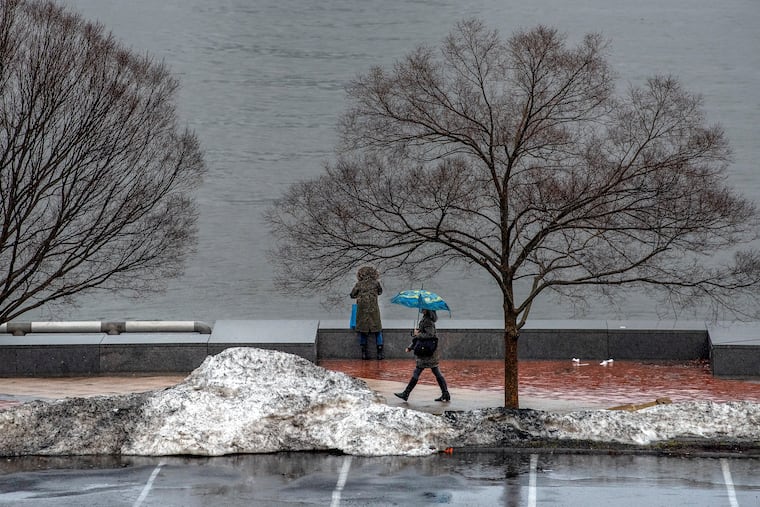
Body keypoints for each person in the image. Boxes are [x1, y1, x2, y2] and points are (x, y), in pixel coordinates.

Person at [394, 309, 450, 402]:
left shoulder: (428, 321)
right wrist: (411, 345)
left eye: (423, 308)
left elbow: (430, 334)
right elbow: (420, 337)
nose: (421, 309)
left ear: (427, 310)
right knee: (436, 372)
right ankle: (445, 394)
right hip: (427, 352)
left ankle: (406, 393)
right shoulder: (426, 319)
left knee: (418, 371)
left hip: (426, 353)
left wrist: (418, 334)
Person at [350, 266, 384, 360]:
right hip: (374, 311)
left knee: (363, 331)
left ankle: (364, 353)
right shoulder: (376, 283)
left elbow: (352, 295)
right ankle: (379, 353)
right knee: (378, 331)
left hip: (362, 311)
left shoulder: (359, 284)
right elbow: (380, 292)